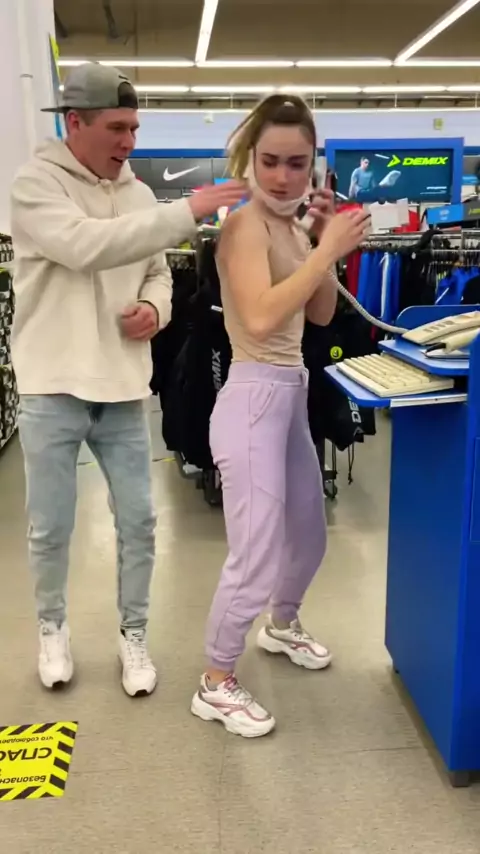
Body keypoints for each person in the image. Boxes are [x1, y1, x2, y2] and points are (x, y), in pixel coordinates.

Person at [10, 62, 245, 696]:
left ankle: (132, 634)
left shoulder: (139, 196)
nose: (129, 140)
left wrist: (155, 309)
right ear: (74, 122)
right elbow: (87, 246)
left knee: (139, 522)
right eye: (116, 127)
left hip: (122, 385)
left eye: (134, 127)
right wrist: (187, 211)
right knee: (50, 525)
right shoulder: (35, 186)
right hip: (52, 383)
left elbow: (156, 272)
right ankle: (53, 629)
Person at [190, 94, 370, 737]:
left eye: (297, 163)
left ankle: (282, 623)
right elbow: (262, 316)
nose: (284, 177)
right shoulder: (244, 227)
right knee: (256, 554)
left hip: (291, 394)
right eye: (270, 161)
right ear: (249, 159)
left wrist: (320, 243)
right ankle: (215, 681)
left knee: (310, 534)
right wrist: (326, 251)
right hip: (251, 399)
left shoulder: (292, 229)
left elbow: (318, 315)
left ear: (313, 164)